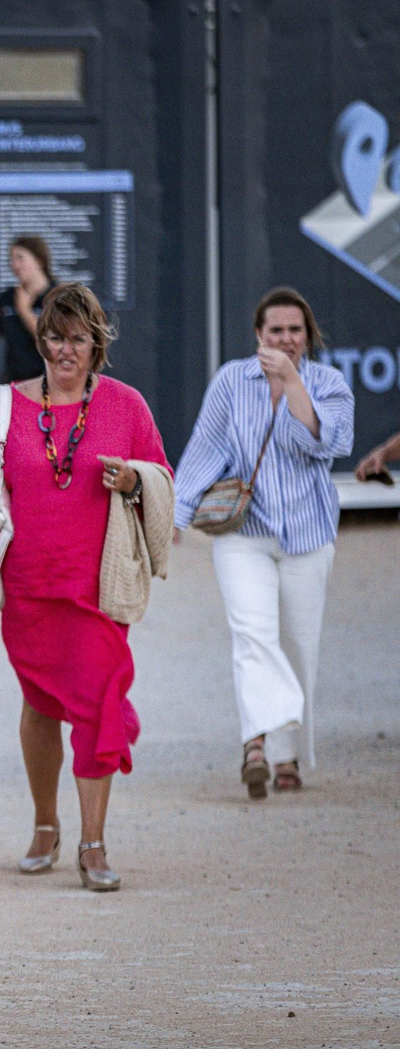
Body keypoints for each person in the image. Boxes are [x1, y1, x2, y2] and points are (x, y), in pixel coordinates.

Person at [0, 282, 171, 891]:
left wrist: (132, 478)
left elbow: (162, 477)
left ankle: (93, 844)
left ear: (96, 344)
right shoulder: (6, 407)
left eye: (77, 339)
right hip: (29, 589)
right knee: (41, 706)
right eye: (54, 337)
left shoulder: (126, 406)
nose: (64, 350)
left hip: (98, 588)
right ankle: (45, 823)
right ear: (40, 339)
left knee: (97, 705)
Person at [173, 287, 354, 797]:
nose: (286, 339)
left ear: (308, 335)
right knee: (252, 634)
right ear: (258, 335)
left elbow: (326, 443)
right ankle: (255, 743)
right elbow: (205, 446)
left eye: (295, 330)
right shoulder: (232, 381)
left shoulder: (330, 384)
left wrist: (293, 382)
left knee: (299, 645)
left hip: (307, 536)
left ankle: (287, 754)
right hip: (242, 533)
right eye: (276, 330)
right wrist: (178, 514)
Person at [0, 235, 55, 383]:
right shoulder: (7, 297)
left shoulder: (58, 296)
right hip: (14, 381)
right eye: (11, 259)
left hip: (48, 383)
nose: (14, 264)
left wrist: (24, 311)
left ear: (39, 261)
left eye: (20, 258)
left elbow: (51, 341)